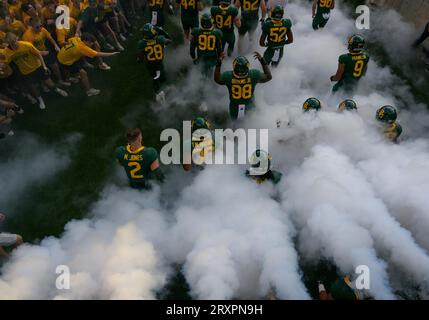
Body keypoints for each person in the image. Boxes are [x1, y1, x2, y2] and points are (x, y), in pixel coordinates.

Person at [3, 32, 68, 110]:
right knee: (34, 88)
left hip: (37, 67)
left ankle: (58, 90)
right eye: (11, 44)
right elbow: (5, 62)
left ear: (17, 39)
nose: (14, 45)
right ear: (8, 44)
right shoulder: (6, 52)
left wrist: (44, 66)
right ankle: (40, 100)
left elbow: (38, 54)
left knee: (50, 84)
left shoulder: (26, 45)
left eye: (14, 41)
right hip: (26, 72)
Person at [214, 52, 272, 120]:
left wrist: (219, 63)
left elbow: (217, 79)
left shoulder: (228, 76)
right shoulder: (254, 74)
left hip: (235, 106)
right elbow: (269, 77)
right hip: (249, 105)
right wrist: (262, 61)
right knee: (250, 123)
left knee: (235, 124)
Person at [137, 23, 171, 103]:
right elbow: (169, 40)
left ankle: (160, 94)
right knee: (160, 77)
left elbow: (140, 59)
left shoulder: (142, 43)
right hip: (159, 63)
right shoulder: (161, 39)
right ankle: (162, 93)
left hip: (151, 65)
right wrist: (163, 32)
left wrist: (141, 57)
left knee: (155, 79)